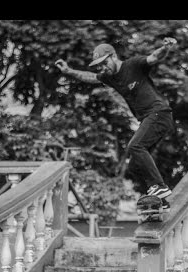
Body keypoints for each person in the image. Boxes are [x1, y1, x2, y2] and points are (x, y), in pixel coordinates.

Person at [55, 37, 178, 210]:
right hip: (148, 119)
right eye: (99, 66)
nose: (102, 68)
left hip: (159, 113)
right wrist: (69, 71)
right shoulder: (109, 76)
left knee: (135, 146)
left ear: (113, 56)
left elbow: (154, 57)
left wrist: (165, 47)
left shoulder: (133, 65)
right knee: (135, 166)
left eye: (104, 63)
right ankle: (158, 202)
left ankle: (160, 186)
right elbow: (90, 77)